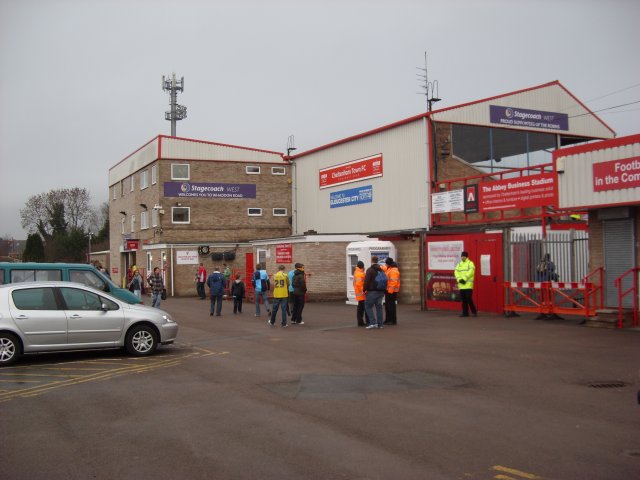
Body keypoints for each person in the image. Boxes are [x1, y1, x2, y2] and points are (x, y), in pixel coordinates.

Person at [364, 256, 386, 329]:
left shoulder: (370, 270)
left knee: (368, 306)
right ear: (377, 261)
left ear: (371, 261)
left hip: (372, 291)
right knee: (379, 307)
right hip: (381, 291)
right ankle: (380, 324)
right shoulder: (381, 270)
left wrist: (364, 289)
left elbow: (366, 281)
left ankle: (373, 323)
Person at [454, 251, 477, 317]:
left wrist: (464, 279)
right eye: (462, 256)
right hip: (461, 285)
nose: (462, 257)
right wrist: (459, 279)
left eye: (463, 256)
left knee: (469, 298)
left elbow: (471, 272)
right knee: (463, 300)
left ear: (466, 257)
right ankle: (465, 313)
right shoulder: (459, 264)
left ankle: (474, 311)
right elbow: (456, 272)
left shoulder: (470, 263)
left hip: (468, 285)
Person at [383, 257, 401, 325]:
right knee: (388, 306)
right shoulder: (390, 269)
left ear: (389, 264)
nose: (385, 265)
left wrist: (390, 291)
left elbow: (393, 282)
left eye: (386, 263)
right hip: (388, 290)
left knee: (391, 306)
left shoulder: (393, 271)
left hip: (392, 291)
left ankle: (392, 320)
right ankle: (388, 319)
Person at [353, 261, 368, 327]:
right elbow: (359, 284)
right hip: (362, 294)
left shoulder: (357, 272)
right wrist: (364, 291)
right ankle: (362, 322)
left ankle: (360, 322)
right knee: (363, 308)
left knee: (360, 308)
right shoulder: (360, 274)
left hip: (359, 293)